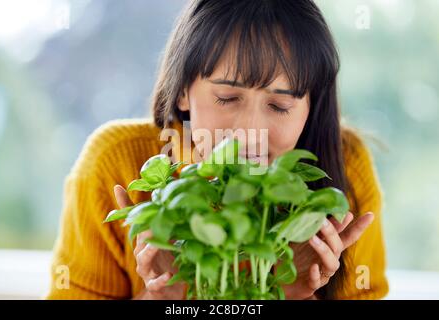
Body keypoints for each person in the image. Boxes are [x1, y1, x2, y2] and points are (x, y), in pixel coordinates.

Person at [46, 0, 389, 300]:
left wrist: (289, 293)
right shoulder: (114, 162)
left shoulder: (346, 170)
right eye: (227, 98)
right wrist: (162, 296)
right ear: (182, 90)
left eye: (280, 105)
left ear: (311, 106)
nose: (249, 132)